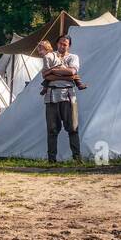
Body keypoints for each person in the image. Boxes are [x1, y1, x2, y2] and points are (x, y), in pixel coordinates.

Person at [41, 34, 83, 163]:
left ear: (69, 45)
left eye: (65, 44)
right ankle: (51, 160)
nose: (62, 46)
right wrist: (64, 75)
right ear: (56, 44)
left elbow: (72, 72)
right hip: (52, 95)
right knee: (52, 129)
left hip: (68, 95)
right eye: (60, 43)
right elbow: (45, 76)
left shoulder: (73, 57)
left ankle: (77, 158)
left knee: (73, 128)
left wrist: (53, 71)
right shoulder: (50, 56)